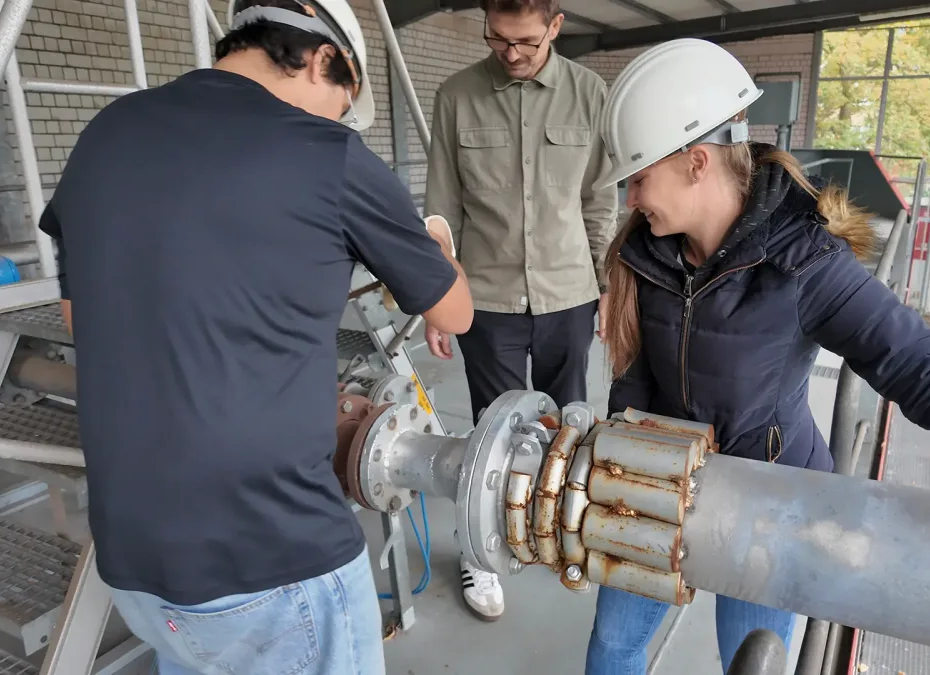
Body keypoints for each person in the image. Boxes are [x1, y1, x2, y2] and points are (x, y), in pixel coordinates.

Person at [589, 38, 930, 674]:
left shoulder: (805, 263)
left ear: (697, 162)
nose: (631, 200)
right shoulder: (644, 253)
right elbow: (635, 378)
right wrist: (612, 463)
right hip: (659, 482)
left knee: (748, 660)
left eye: (639, 179)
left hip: (771, 502)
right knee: (612, 647)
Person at [37, 1, 472, 673]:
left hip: (136, 562)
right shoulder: (328, 154)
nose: (333, 122)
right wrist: (435, 241)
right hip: (273, 562)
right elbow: (456, 313)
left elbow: (82, 319)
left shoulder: (108, 131)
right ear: (324, 58)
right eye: (340, 103)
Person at [423, 0, 617, 621]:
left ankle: (564, 531)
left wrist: (606, 287)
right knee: (493, 432)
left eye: (527, 43)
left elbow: (599, 201)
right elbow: (441, 211)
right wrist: (436, 300)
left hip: (569, 294)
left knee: (570, 425)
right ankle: (481, 551)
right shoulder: (456, 96)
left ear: (555, 26)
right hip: (489, 299)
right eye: (499, 39)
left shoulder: (590, 94)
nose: (511, 53)